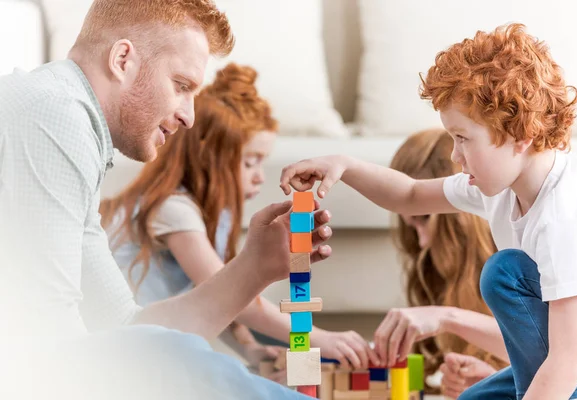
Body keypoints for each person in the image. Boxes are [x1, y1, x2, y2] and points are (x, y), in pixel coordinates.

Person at [0, 1, 347, 399]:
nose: (189, 117)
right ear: (123, 58)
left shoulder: (72, 126)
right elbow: (49, 356)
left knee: (173, 353)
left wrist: (255, 267)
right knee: (184, 359)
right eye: (182, 86)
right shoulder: (53, 115)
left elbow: (124, 327)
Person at [280, 23, 577, 400]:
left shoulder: (565, 217)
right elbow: (410, 194)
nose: (454, 155)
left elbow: (568, 359)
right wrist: (346, 166)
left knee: (505, 272)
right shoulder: (500, 185)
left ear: (520, 135)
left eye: (463, 138)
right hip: (574, 358)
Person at [99, 62, 375, 372]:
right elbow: (231, 292)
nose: (260, 177)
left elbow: (222, 298)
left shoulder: (218, 216)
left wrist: (251, 349)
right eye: (250, 162)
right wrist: (317, 337)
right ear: (208, 157)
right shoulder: (172, 210)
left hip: (160, 342)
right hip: (129, 349)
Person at [388, 128, 508, 398]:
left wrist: (497, 382)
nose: (422, 242)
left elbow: (559, 358)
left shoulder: (517, 263)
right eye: (411, 223)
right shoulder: (435, 265)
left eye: (424, 219)